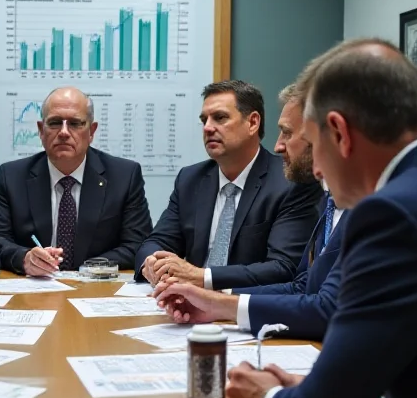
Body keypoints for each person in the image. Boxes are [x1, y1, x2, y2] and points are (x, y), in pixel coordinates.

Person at [224, 38, 417, 398]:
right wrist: (325, 383)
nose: (313, 168)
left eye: (312, 145)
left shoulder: (389, 218)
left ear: (340, 132)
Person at [154, 84, 347, 340]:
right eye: (204, 120)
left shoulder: (359, 204)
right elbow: (302, 287)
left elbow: (323, 305)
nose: (278, 146)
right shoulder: (331, 200)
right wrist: (213, 302)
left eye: (287, 133)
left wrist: (207, 286)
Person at [135, 80, 322, 290]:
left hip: (244, 309)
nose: (207, 128)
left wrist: (201, 276)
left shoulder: (290, 181)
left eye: (220, 118)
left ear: (252, 123)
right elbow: (156, 241)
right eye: (204, 120)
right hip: (184, 304)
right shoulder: (191, 179)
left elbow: (283, 267)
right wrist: (153, 263)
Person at [0, 86, 152, 275]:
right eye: (55, 123)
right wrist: (25, 258)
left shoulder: (124, 176)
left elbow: (138, 244)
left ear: (91, 131)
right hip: (35, 287)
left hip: (97, 288)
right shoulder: (13, 176)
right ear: (41, 130)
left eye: (74, 123)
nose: (64, 132)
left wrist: (88, 268)